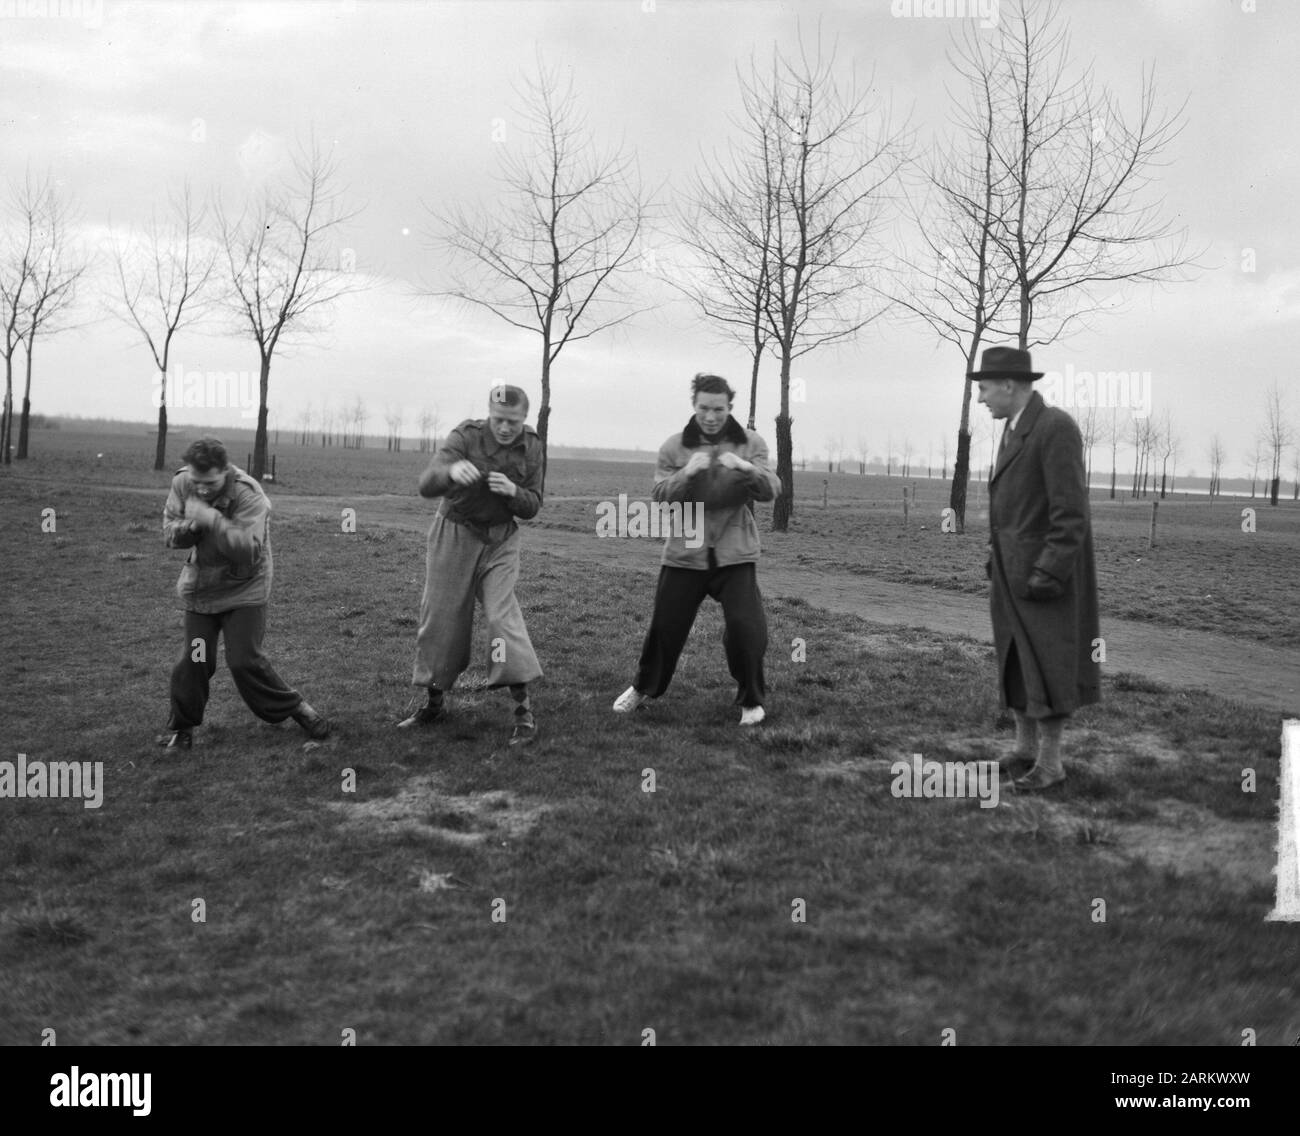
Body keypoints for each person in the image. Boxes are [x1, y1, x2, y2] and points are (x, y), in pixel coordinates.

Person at [613, 372, 781, 725]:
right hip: (686, 550)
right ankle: (643, 688)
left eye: (718, 409)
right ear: (694, 406)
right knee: (665, 626)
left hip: (735, 551)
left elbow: (770, 491)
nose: (710, 416)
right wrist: (686, 474)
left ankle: (751, 700)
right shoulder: (674, 447)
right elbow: (660, 496)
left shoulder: (751, 443)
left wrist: (747, 468)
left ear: (729, 408)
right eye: (704, 408)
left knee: (746, 628)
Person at [973, 346, 1101, 791]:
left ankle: (1050, 765)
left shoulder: (1054, 427)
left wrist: (1049, 572)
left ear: (1009, 385)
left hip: (1044, 578)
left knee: (1049, 664)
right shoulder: (1013, 428)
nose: (981, 398)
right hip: (1010, 576)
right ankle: (1024, 750)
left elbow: (1071, 512)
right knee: (1015, 661)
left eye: (985, 388)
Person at [158, 437, 329, 749]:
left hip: (246, 587)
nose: (203, 489)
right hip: (203, 590)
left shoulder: (249, 495)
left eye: (210, 482)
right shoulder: (183, 483)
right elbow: (169, 532)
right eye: (197, 482)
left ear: (225, 471)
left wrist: (212, 521)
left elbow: (248, 552)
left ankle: (298, 709)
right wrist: (191, 528)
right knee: (194, 659)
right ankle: (183, 730)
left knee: (243, 660)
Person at [398, 384, 544, 746]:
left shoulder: (533, 446)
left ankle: (523, 712)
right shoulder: (464, 436)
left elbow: (533, 505)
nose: (506, 428)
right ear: (488, 414)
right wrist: (451, 472)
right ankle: (434, 704)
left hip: (501, 540)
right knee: (442, 621)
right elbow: (426, 484)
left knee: (502, 618)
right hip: (455, 531)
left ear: (524, 418)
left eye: (513, 421)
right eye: (499, 420)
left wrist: (514, 493)